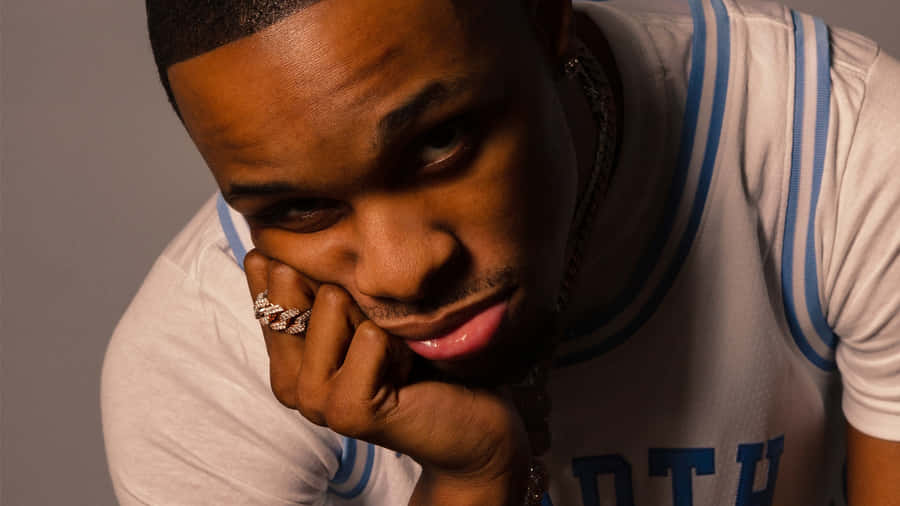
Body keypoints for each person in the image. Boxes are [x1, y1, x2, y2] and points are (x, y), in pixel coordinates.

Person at [101, 0, 900, 504]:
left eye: (442, 143)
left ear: (546, 19)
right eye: (300, 208)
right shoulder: (195, 367)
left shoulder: (838, 144)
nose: (401, 268)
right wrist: (471, 478)